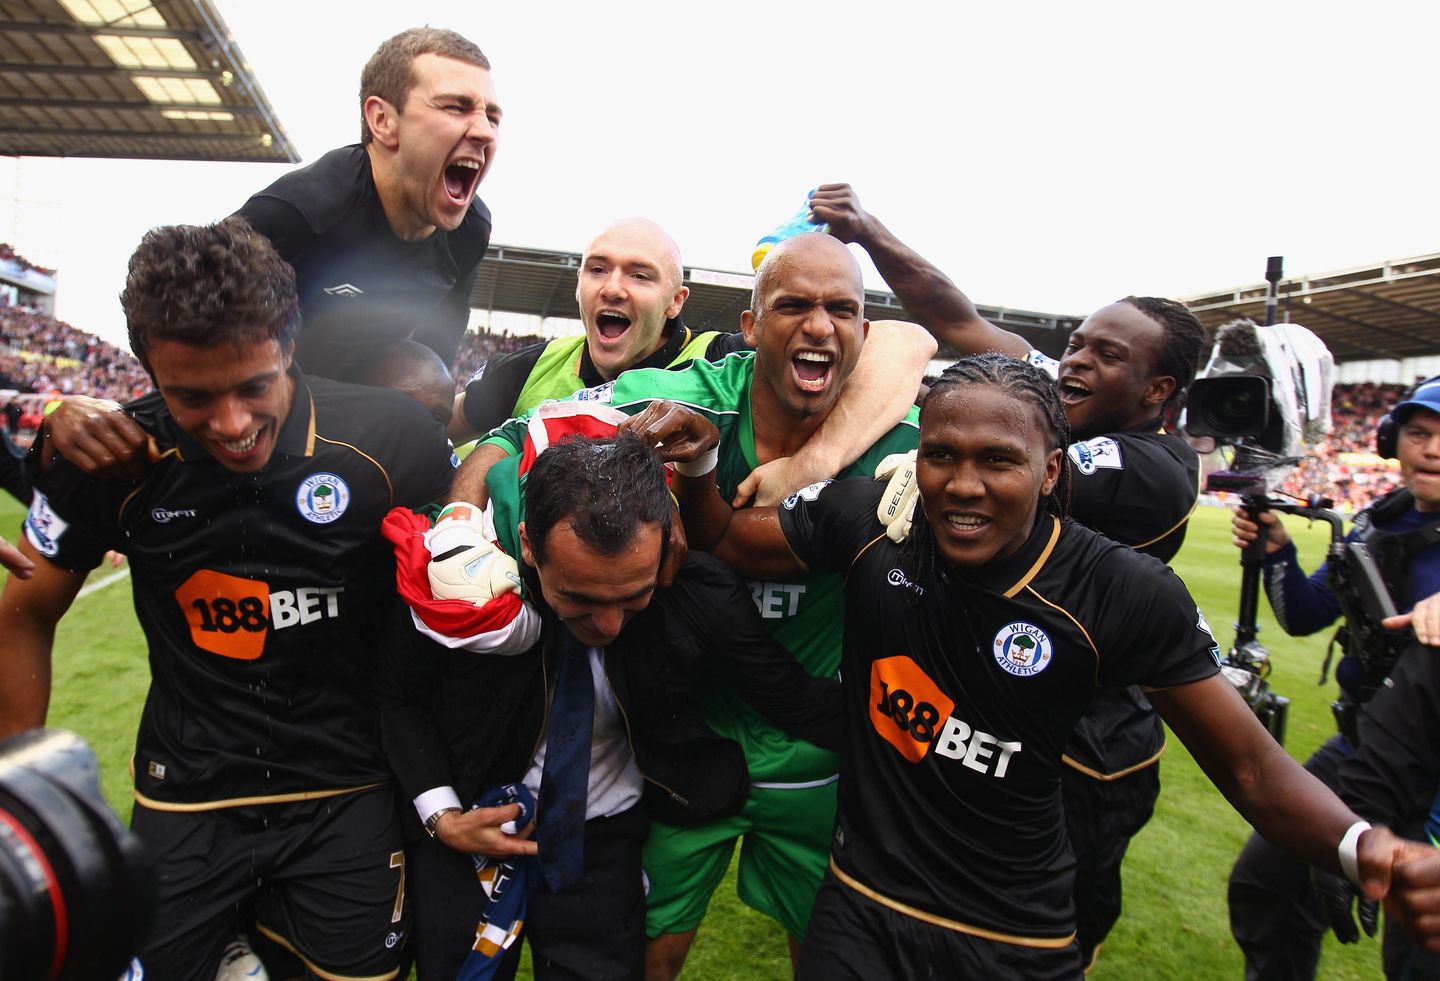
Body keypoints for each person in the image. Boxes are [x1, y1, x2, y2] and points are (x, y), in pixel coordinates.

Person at [632, 352, 1440, 979]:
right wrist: (703, 467)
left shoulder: (1122, 592)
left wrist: (1365, 843)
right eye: (940, 454)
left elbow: (1253, 770)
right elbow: (732, 540)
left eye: (998, 460)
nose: (963, 485)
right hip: (862, 902)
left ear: (1052, 470)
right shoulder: (875, 518)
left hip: (1011, 930)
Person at [0, 217, 456, 980]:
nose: (233, 423)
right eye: (192, 397)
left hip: (346, 788)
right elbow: (24, 607)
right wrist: (18, 788)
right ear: (146, 370)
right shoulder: (110, 457)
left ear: (291, 341)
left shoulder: (392, 440)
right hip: (187, 797)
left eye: (254, 385)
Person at [463, 233, 923, 977]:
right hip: (686, 748)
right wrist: (456, 524)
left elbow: (953, 359)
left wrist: (825, 466)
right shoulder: (688, 398)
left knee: (837, 957)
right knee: (647, 952)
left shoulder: (911, 447)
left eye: (841, 309)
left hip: (823, 753)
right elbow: (511, 436)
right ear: (747, 325)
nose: (817, 325)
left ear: (864, 334)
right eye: (793, 305)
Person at [810, 183, 1203, 965]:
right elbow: (952, 315)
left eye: (1107, 355)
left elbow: (995, 454)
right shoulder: (1053, 397)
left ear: (1159, 392)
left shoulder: (1154, 467)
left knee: (1054, 921)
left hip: (1089, 741)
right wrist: (868, 232)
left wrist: (898, 454)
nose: (1078, 362)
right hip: (994, 702)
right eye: (1079, 344)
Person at [379, 431, 841, 980]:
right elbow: (397, 697)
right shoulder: (457, 584)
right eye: (579, 598)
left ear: (666, 544)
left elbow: (791, 697)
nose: (608, 625)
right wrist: (443, 817)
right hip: (472, 822)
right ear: (527, 545)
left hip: (602, 845)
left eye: (634, 595)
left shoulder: (697, 594)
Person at [449, 217, 933, 508]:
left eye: (640, 276)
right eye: (597, 269)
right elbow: (457, 428)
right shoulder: (529, 365)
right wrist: (459, 527)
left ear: (676, 301)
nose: (612, 287)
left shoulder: (716, 363)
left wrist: (813, 464)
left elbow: (904, 342)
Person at [1227, 377, 1440, 981]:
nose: (1432, 450)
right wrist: (1276, 552)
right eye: (1420, 434)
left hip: (1432, 773)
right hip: (1360, 747)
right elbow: (1305, 615)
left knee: (1421, 947)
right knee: (1269, 883)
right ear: (1393, 443)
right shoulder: (1375, 524)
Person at [236, 26, 500, 377]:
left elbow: (439, 348)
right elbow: (181, 307)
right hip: (275, 389)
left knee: (430, 385)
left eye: (492, 117)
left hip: (364, 392)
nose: (484, 132)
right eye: (456, 107)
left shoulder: (471, 230)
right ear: (383, 120)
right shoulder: (296, 214)